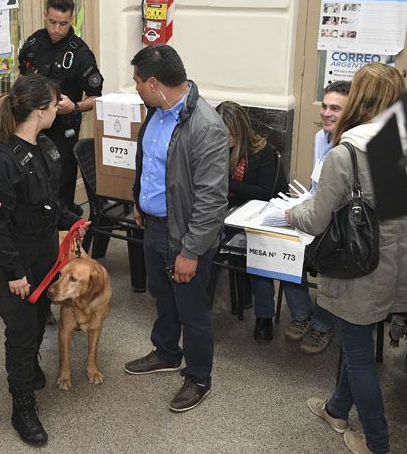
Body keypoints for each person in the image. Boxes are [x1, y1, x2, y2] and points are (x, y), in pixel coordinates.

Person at [287, 63, 407, 454]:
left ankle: (377, 442)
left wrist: (292, 212)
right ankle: (337, 409)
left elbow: (316, 217)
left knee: (359, 358)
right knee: (353, 340)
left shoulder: (347, 153)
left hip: (358, 270)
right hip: (395, 264)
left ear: (359, 97)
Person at [0, 74, 88, 445]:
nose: (59, 108)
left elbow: (47, 204)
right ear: (41, 111)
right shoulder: (2, 162)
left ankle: (30, 368)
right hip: (18, 263)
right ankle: (22, 405)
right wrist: (13, 272)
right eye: (56, 103)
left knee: (40, 318)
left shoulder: (45, 146)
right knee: (22, 333)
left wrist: (71, 220)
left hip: (45, 256)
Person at [123, 45, 228, 413]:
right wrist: (139, 200)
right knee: (162, 296)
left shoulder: (206, 126)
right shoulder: (155, 111)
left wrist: (191, 251)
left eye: (137, 81)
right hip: (153, 226)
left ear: (154, 83)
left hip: (184, 235)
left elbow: (212, 200)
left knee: (192, 311)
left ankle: (199, 377)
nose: (134, 87)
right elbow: (149, 163)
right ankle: (167, 352)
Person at [217, 100, 307, 343]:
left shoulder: (263, 153)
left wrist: (225, 185)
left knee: (269, 252)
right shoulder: (218, 149)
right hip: (233, 214)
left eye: (231, 136)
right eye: (223, 135)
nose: (227, 141)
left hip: (268, 217)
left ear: (242, 131)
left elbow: (264, 192)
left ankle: (293, 315)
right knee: (254, 252)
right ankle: (263, 315)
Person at [18, 0, 104, 215]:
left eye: (63, 24)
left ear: (72, 20)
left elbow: (96, 98)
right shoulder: (33, 43)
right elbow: (22, 77)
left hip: (62, 130)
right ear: (45, 15)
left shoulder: (81, 54)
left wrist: (74, 106)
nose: (57, 29)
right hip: (31, 128)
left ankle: (63, 233)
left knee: (60, 183)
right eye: (52, 22)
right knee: (33, 183)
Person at [288, 80, 351, 354]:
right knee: (285, 248)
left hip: (340, 225)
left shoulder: (350, 147)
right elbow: (316, 188)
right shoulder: (319, 137)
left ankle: (323, 324)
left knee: (329, 257)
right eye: (324, 106)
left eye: (335, 108)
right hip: (317, 212)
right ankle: (302, 313)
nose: (326, 113)